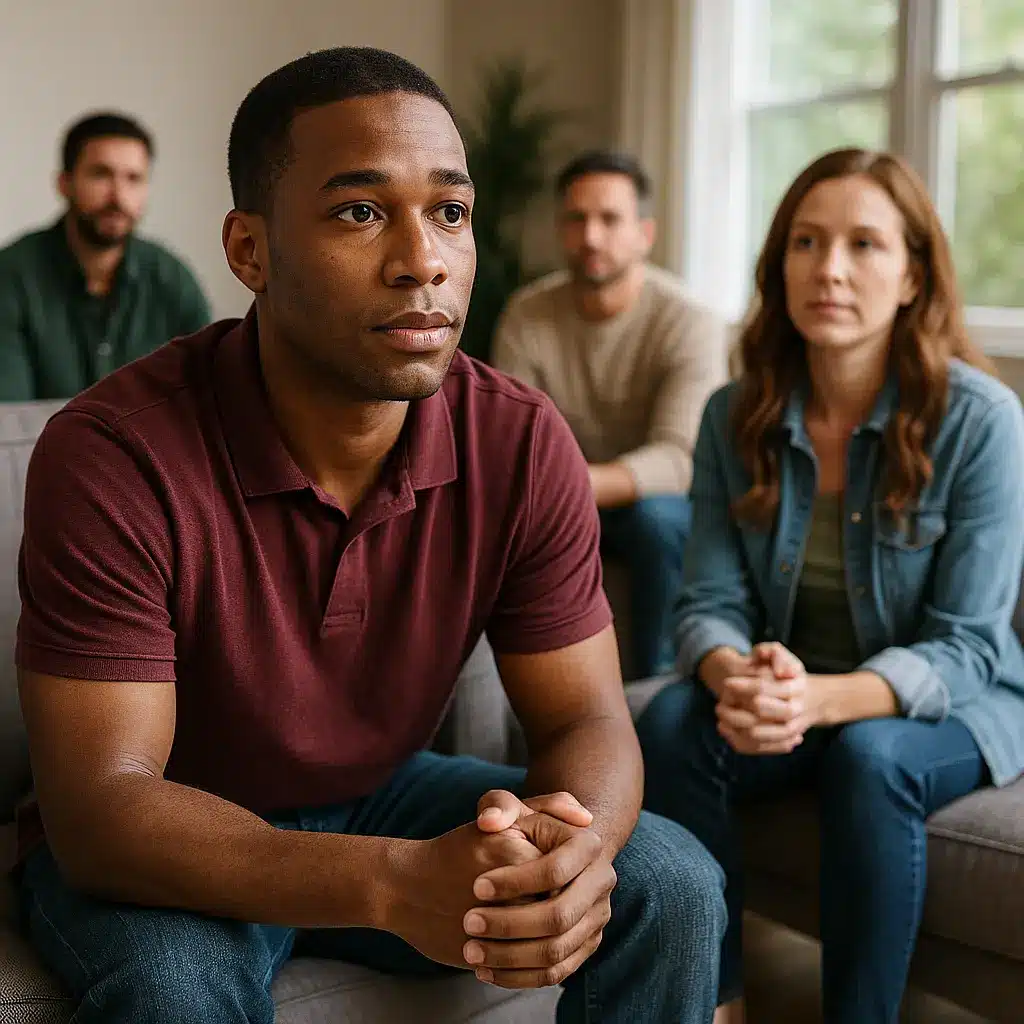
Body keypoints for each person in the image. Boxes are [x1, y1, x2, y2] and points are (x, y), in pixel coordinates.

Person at [15, 48, 726, 1024]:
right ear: (249, 250)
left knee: (672, 882)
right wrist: (391, 883)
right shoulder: (112, 454)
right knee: (175, 987)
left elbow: (585, 721)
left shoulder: (518, 439)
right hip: (175, 828)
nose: (423, 258)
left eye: (450, 212)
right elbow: (102, 810)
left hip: (384, 791)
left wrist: (574, 848)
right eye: (359, 211)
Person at [634, 146, 1024, 1024]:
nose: (831, 269)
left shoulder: (982, 421)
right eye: (806, 242)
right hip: (790, 684)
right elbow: (708, 599)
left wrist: (818, 702)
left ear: (914, 274)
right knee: (669, 719)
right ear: (781, 265)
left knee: (871, 756)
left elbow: (967, 643)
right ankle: (715, 999)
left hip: (955, 705)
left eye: (864, 244)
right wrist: (735, 676)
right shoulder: (733, 413)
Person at [492, 151, 729, 680]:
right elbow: (509, 442)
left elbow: (679, 459)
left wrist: (571, 481)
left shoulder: (688, 321)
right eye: (576, 219)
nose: (591, 236)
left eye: (609, 219)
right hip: (555, 497)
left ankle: (654, 688)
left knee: (658, 519)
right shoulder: (528, 313)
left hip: (646, 504)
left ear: (645, 232)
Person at [0, 112, 211, 400]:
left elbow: (208, 401)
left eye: (134, 178)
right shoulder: (12, 276)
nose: (118, 195)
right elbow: (8, 420)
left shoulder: (171, 280)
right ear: (64, 183)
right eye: (101, 174)